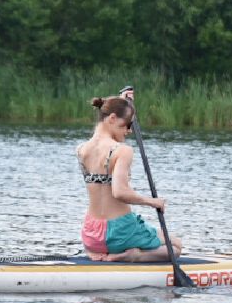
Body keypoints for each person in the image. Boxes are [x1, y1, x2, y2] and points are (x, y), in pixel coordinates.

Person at [76, 93, 182, 262]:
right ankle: (134, 255)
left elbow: (110, 116)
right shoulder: (121, 150)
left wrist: (123, 103)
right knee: (175, 246)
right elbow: (119, 192)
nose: (129, 130)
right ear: (112, 118)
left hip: (91, 236)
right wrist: (152, 202)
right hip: (120, 234)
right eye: (127, 124)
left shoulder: (81, 149)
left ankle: (99, 251)